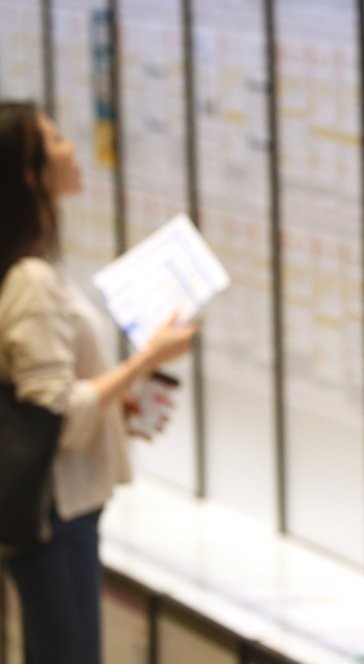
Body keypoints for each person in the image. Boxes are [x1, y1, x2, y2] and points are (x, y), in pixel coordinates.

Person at [0, 100, 197, 663]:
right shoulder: (31, 279)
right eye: (56, 140)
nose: (72, 150)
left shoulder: (29, 267)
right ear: (30, 174)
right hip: (57, 515)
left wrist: (117, 403)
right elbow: (54, 414)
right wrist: (144, 361)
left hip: (62, 512)